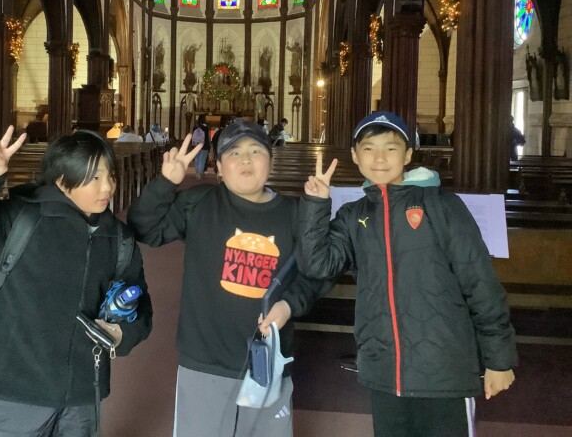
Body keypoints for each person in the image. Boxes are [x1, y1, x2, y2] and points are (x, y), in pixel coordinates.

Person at [298, 111, 517, 437]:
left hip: (443, 370)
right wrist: (316, 204)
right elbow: (317, 265)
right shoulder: (354, 215)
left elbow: (480, 283)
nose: (380, 158)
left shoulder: (443, 207)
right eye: (369, 148)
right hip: (384, 370)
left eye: (391, 148)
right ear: (356, 156)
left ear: (408, 155)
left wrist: (499, 359)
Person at [0, 127, 152, 437]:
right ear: (62, 181)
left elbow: (138, 301)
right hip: (17, 386)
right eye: (94, 177)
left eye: (110, 175)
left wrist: (123, 333)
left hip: (82, 389)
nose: (107, 186)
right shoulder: (21, 218)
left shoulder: (118, 238)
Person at [127, 120, 330, 437]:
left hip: (268, 362)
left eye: (256, 151)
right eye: (234, 153)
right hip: (204, 361)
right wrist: (165, 184)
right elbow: (144, 229)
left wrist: (289, 305)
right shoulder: (199, 203)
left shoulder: (294, 214)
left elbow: (317, 272)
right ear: (219, 167)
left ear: (270, 161)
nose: (246, 159)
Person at [190, 113, 211, 179]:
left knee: (197, 159)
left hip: (196, 145)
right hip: (204, 146)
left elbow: (193, 137)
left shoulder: (195, 127)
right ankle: (199, 173)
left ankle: (197, 173)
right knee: (202, 160)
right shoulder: (206, 128)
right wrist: (209, 147)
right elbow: (208, 138)